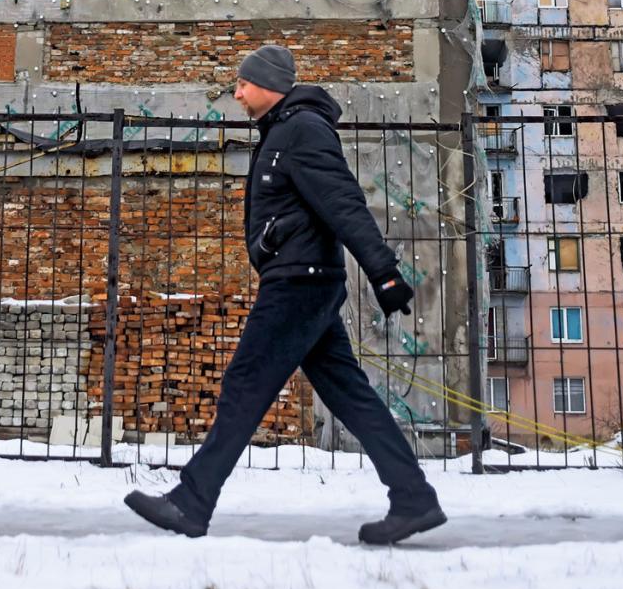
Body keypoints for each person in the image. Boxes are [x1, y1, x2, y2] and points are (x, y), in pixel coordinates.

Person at [125, 45, 446, 545]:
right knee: (349, 393)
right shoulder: (282, 130)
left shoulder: (302, 130)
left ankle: (191, 501)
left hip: (300, 282)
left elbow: (343, 201)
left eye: (243, 84)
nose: (236, 94)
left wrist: (383, 272)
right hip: (302, 280)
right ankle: (414, 498)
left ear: (270, 85)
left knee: (245, 383)